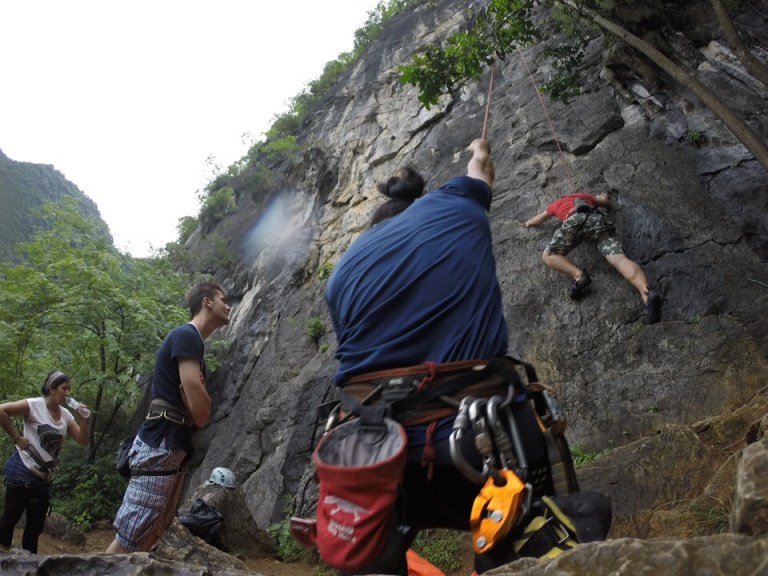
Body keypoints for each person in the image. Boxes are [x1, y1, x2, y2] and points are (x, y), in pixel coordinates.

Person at [325, 138, 538, 575]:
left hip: (371, 452)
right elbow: (481, 168)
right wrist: (478, 148)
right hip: (479, 438)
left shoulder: (341, 272)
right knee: (533, 529)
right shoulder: (454, 204)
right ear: (414, 208)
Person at [106, 282, 231, 554]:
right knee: (131, 535)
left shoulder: (194, 342)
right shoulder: (187, 335)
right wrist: (197, 398)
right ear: (207, 302)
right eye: (223, 299)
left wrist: (197, 400)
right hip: (161, 444)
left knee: (150, 532)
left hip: (168, 447)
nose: (228, 306)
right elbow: (201, 412)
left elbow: (198, 405)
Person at [524, 191, 661, 324]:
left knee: (549, 255)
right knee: (620, 260)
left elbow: (540, 218)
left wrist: (528, 223)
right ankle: (647, 295)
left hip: (576, 220)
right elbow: (605, 201)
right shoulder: (582, 196)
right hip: (598, 220)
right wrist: (607, 202)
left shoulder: (554, 204)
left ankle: (579, 276)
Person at [0, 370, 90, 553]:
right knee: (10, 520)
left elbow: (82, 440)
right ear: (52, 389)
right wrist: (17, 438)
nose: (68, 393)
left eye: (69, 389)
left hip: (43, 480)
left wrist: (83, 420)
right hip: (22, 471)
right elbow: (2, 410)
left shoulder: (66, 415)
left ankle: (30, 564)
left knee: (34, 529)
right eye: (64, 388)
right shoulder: (33, 405)